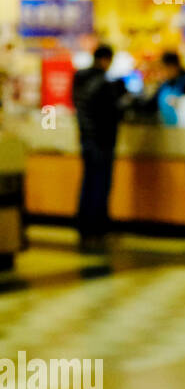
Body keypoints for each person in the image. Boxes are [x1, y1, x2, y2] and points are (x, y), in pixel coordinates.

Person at [72, 44, 126, 251]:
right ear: (105, 59)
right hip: (102, 141)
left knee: (88, 183)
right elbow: (112, 112)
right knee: (101, 185)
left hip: (86, 139)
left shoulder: (79, 78)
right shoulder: (103, 83)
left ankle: (85, 227)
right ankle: (98, 228)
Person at [154, 51, 185, 126]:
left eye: (165, 68)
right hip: (166, 130)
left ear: (173, 67)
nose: (163, 72)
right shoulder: (164, 85)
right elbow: (152, 105)